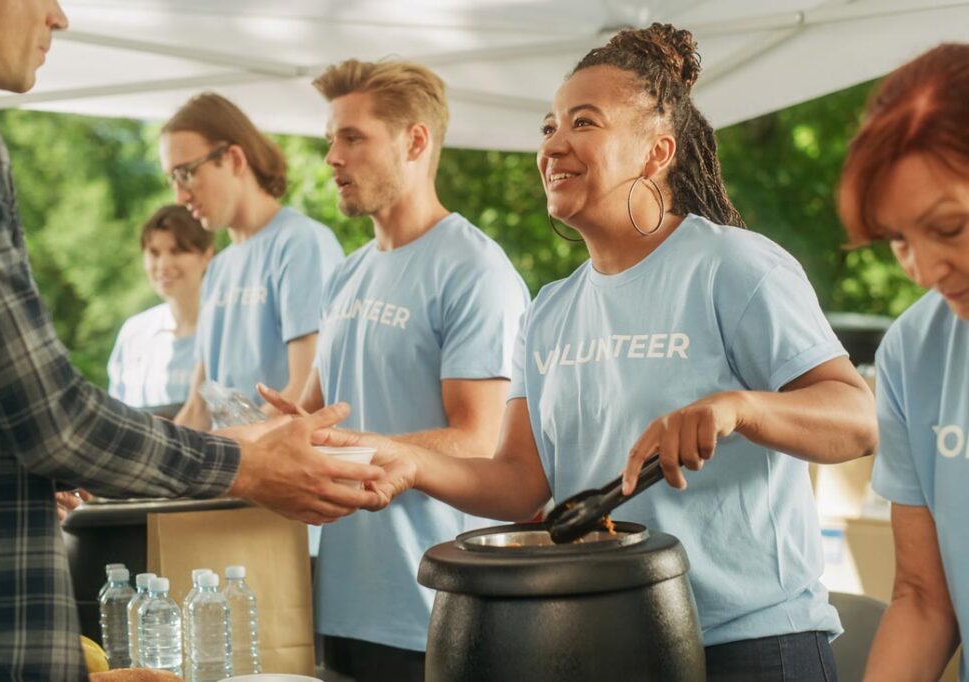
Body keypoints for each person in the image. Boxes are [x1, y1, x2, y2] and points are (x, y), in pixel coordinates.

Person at [317, 24, 879, 680]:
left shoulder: (733, 267)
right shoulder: (551, 309)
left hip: (749, 645)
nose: (554, 143)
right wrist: (409, 463)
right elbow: (522, 481)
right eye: (548, 127)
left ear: (656, 152)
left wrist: (740, 409)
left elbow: (856, 420)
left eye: (583, 123)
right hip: (607, 639)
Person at [0, 3, 383, 679]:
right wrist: (242, 465)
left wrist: (69, 468)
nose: (59, 16)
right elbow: (53, 416)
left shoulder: (300, 245)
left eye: (188, 172)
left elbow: (22, 418)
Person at [267, 59, 529, 680]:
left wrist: (349, 451)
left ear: (415, 141)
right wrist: (270, 433)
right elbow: (314, 415)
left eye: (352, 137)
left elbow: (481, 440)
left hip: (436, 609)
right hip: (339, 605)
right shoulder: (348, 273)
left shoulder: (473, 270)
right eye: (331, 137)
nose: (332, 156)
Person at [836, 43, 969, 681]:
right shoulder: (915, 352)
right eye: (898, 239)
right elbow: (923, 600)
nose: (924, 269)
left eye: (947, 228)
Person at [165, 92, 344, 429]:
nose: (179, 195)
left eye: (186, 173)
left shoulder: (301, 243)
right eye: (172, 179)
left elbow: (306, 393)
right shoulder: (219, 267)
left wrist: (223, 453)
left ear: (234, 159)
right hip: (235, 471)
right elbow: (198, 409)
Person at [108, 205, 213, 412]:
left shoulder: (224, 329)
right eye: (154, 253)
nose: (163, 264)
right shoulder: (133, 333)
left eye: (177, 251)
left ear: (207, 255)